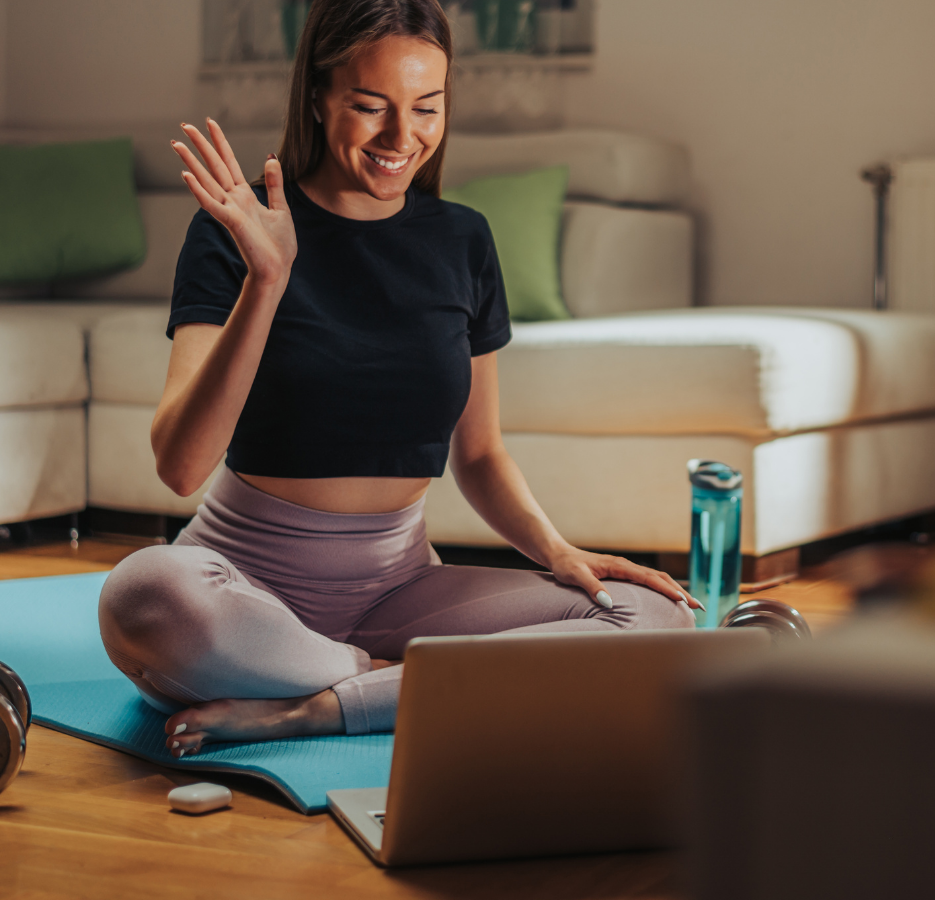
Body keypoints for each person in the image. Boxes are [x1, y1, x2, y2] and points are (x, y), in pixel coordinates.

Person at [98, 0, 697, 758]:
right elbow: (180, 467)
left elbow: (478, 454)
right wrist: (268, 277)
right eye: (370, 106)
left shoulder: (462, 240)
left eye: (426, 108)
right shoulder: (240, 231)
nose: (400, 137)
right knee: (144, 596)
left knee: (654, 618)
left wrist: (559, 553)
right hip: (241, 592)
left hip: (398, 589)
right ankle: (394, 683)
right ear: (317, 96)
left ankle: (316, 706)